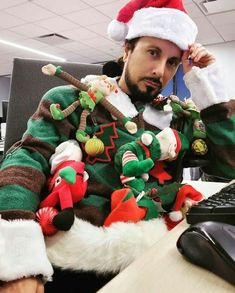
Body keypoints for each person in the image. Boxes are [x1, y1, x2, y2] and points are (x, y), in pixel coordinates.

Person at [0, 0, 235, 292]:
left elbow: (227, 166)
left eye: (172, 62)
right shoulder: (72, 101)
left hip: (158, 254)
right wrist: (18, 258)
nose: (160, 71)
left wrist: (210, 88)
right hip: (76, 260)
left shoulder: (177, 118)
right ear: (126, 49)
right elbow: (27, 158)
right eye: (153, 53)